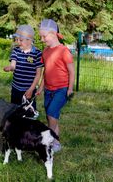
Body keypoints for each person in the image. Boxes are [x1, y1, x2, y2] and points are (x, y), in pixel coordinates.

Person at [36, 19, 75, 152]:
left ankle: (48, 138)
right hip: (48, 90)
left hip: (62, 89)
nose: (41, 39)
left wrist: (70, 88)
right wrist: (41, 87)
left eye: (44, 36)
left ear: (53, 34)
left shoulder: (64, 51)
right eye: (40, 36)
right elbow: (46, 71)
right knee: (50, 116)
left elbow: (72, 71)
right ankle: (56, 143)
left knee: (52, 113)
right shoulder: (45, 52)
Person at [3, 25, 43, 109]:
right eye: (16, 39)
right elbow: (13, 65)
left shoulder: (37, 53)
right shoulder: (16, 51)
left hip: (29, 89)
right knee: (14, 111)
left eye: (20, 40)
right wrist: (10, 68)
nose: (18, 42)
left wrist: (31, 90)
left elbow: (38, 74)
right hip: (16, 88)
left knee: (28, 112)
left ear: (29, 40)